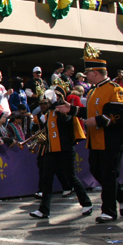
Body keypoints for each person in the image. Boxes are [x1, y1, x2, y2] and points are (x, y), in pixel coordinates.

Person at [56, 43, 123, 223]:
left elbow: (122, 114)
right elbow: (91, 113)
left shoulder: (115, 90)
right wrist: (71, 109)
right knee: (96, 170)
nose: (85, 76)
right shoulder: (94, 91)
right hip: (96, 140)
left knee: (108, 175)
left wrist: (100, 120)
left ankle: (109, 210)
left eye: (87, 73)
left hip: (112, 140)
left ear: (95, 72)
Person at [28, 85, 93, 219]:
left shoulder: (63, 110)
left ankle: (86, 203)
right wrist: (38, 140)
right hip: (51, 150)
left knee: (71, 177)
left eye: (54, 96)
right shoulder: (49, 113)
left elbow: (66, 122)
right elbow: (47, 132)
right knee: (46, 179)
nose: (49, 99)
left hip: (65, 150)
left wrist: (59, 107)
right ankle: (43, 210)